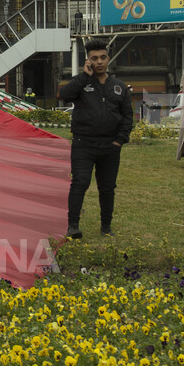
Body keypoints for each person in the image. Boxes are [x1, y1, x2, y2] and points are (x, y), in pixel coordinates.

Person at [58, 39, 133, 238]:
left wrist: (119, 140)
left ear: (108, 59)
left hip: (110, 146)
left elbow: (127, 116)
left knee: (107, 188)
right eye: (94, 58)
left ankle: (106, 228)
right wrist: (84, 76)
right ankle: (73, 226)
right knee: (80, 183)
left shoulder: (119, 87)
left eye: (102, 57)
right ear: (88, 60)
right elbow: (64, 95)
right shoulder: (81, 82)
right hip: (84, 144)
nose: (99, 62)